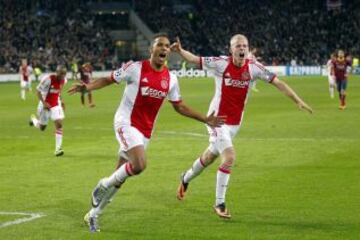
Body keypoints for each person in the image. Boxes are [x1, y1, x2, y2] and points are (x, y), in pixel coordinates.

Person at [67, 33, 226, 232]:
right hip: (126, 122)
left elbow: (180, 107)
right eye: (160, 45)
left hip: (144, 131)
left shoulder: (171, 79)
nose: (164, 49)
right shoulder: (135, 68)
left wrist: (205, 118)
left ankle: (93, 215)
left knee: (121, 175)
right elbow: (108, 79)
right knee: (140, 164)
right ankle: (103, 184)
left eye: (167, 46)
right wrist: (87, 87)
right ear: (151, 50)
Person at [171, 34, 313, 219]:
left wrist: (297, 101)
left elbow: (277, 82)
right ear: (231, 49)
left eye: (245, 45)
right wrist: (181, 51)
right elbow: (195, 59)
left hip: (235, 124)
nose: (242, 48)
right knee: (229, 157)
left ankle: (185, 178)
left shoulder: (254, 68)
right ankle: (219, 203)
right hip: (217, 120)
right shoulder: (220, 63)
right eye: (238, 46)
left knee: (209, 157)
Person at [29, 65, 67, 156]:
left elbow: (58, 91)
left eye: (64, 74)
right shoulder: (48, 79)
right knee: (42, 127)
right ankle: (34, 120)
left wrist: (61, 100)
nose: (62, 76)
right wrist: (44, 102)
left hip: (55, 104)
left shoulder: (64, 80)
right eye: (60, 74)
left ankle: (58, 149)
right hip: (45, 105)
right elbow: (38, 91)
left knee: (59, 123)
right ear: (56, 72)